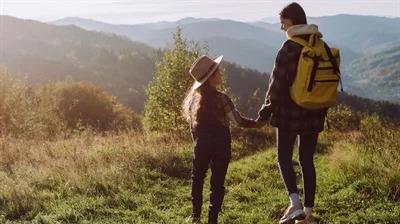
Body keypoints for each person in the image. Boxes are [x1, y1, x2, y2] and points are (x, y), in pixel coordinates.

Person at [257, 2, 329, 224]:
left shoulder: (289, 47)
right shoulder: (320, 45)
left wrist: (266, 110)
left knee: (283, 158)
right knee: (307, 160)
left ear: (293, 21)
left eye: (283, 23)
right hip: (315, 111)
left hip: (289, 113)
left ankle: (295, 204)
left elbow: (277, 85)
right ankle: (307, 214)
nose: (281, 27)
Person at [182, 55, 262, 224]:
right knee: (217, 183)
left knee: (197, 179)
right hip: (221, 145)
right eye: (218, 72)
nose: (221, 74)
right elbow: (238, 121)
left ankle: (195, 216)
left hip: (201, 144)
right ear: (211, 78)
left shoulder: (193, 101)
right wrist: (257, 124)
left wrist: (197, 142)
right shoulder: (222, 99)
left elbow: (192, 128)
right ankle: (213, 220)